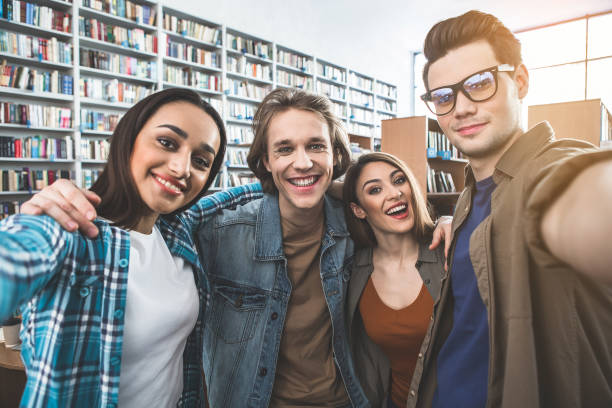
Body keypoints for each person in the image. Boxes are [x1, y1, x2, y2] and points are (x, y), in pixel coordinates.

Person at [19, 88, 452, 407]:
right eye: (285, 149)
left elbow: (398, 217)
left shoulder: (351, 220)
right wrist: (58, 203)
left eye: (315, 146)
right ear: (265, 162)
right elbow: (159, 213)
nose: (302, 161)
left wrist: (454, 221)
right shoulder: (215, 230)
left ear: (335, 157)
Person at [0, 88, 262, 407]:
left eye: (201, 160)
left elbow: (233, 195)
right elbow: (13, 255)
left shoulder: (177, 229)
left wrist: (317, 180)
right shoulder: (68, 230)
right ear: (129, 138)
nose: (181, 169)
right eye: (167, 142)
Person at [415, 10, 612, 408]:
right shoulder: (470, 196)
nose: (461, 108)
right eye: (443, 96)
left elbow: (579, 197)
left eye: (479, 84)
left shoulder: (554, 171)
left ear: (520, 81)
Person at [343, 152, 445, 408]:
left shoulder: (448, 251)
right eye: (375, 189)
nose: (394, 193)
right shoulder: (354, 270)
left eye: (399, 180)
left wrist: (455, 220)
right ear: (358, 209)